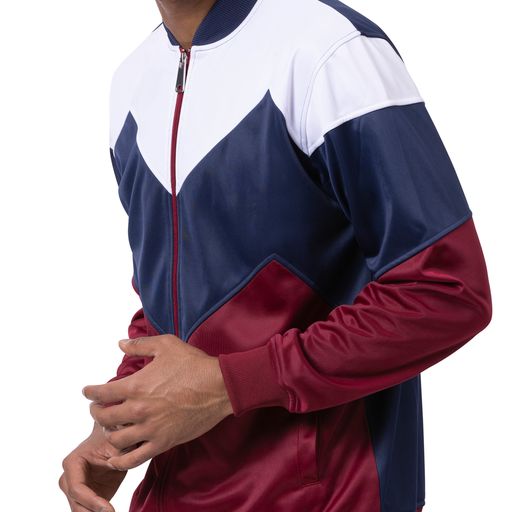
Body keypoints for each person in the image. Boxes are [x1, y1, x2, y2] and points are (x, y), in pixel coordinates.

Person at [59, 1, 493, 511]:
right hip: (178, 494)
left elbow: (445, 291)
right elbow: (171, 302)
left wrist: (228, 385)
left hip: (329, 495)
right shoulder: (133, 83)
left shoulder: (330, 51)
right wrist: (120, 425)